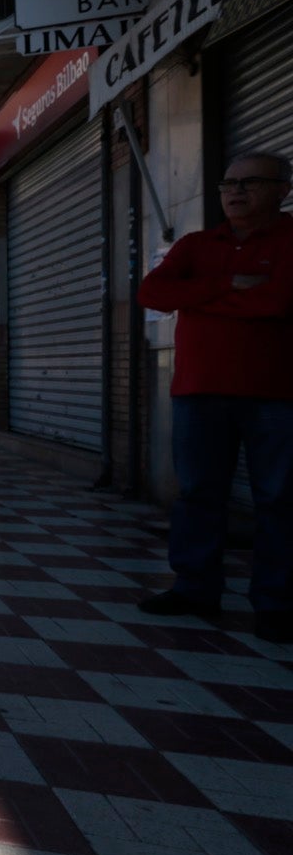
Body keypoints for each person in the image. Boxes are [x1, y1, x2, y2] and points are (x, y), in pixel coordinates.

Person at [136, 152, 293, 644]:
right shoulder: (197, 245)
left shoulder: (290, 241)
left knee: (281, 500)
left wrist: (197, 296)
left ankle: (277, 605)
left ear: (283, 189)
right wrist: (230, 285)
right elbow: (152, 294)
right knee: (198, 494)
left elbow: (277, 300)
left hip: (277, 393)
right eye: (229, 182)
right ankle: (195, 588)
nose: (236, 191)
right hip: (199, 390)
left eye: (251, 182)